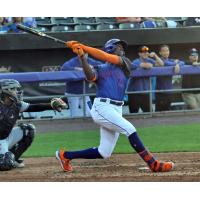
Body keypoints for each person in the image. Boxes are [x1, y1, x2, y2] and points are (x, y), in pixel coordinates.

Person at [55, 38, 174, 173]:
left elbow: (104, 56)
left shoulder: (125, 63)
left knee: (104, 152)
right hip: (102, 107)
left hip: (116, 109)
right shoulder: (100, 68)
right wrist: (82, 57)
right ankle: (153, 164)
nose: (122, 49)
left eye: (122, 47)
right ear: (111, 48)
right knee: (130, 129)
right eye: (119, 47)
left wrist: (83, 47)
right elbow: (90, 77)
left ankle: (65, 155)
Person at [0, 79, 66, 171]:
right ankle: (6, 158)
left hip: (6, 137)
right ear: (6, 91)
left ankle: (13, 159)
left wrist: (51, 105)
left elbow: (34, 107)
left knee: (28, 129)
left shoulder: (17, 104)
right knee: (5, 164)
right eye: (14, 89)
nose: (17, 91)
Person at [127, 45, 164, 113]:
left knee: (149, 113)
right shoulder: (135, 61)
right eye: (143, 52)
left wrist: (155, 56)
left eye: (146, 52)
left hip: (145, 92)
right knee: (133, 114)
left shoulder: (149, 60)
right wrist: (150, 64)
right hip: (134, 93)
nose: (145, 53)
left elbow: (161, 64)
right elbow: (146, 65)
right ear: (139, 54)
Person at [156, 44, 184, 111]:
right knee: (159, 113)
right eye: (164, 51)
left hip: (169, 91)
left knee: (167, 111)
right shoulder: (158, 61)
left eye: (167, 50)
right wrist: (175, 64)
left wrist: (178, 64)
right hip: (160, 91)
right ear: (160, 53)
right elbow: (164, 63)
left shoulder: (171, 60)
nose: (166, 52)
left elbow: (183, 62)